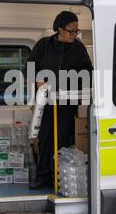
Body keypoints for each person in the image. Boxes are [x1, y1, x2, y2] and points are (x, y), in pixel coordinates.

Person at [27, 11, 93, 190]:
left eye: (76, 31)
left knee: (63, 138)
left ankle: (61, 177)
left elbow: (88, 71)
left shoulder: (79, 48)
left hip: (67, 102)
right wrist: (38, 80)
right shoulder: (44, 45)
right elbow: (30, 65)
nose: (74, 35)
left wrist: (77, 86)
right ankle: (43, 177)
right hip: (47, 102)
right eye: (71, 31)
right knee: (45, 138)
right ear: (59, 29)